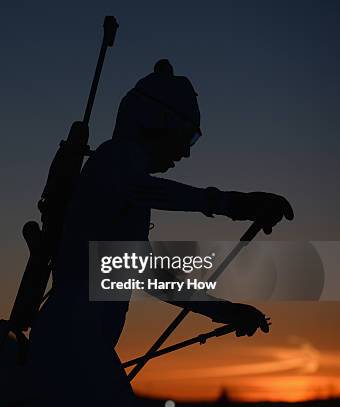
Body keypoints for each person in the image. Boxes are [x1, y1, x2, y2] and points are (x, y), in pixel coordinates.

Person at [26, 59, 294, 406]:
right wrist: (233, 205)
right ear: (156, 121)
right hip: (73, 342)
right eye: (187, 136)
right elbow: (153, 191)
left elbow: (151, 276)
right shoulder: (115, 159)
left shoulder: (124, 189)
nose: (185, 152)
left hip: (78, 344)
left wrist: (224, 311)